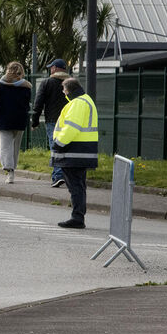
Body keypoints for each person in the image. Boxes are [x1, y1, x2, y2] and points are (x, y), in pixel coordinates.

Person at [53, 78, 98, 229]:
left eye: (64, 90)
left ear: (69, 90)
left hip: (73, 151)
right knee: (79, 185)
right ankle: (78, 216)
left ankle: (77, 218)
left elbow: (72, 127)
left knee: (75, 187)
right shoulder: (85, 100)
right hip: (81, 151)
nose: (63, 92)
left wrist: (58, 143)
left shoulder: (78, 103)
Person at [0, 61, 33, 184]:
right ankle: (12, 171)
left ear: (7, 71)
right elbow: (26, 104)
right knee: (15, 147)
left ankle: (9, 169)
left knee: (5, 146)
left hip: (4, 120)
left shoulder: (1, 85)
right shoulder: (26, 87)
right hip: (20, 120)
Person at [32, 59, 71, 188]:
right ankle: (66, 175)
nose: (50, 70)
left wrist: (35, 121)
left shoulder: (47, 82)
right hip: (71, 121)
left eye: (51, 67)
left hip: (53, 120)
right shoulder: (72, 83)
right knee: (67, 147)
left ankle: (58, 176)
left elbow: (38, 103)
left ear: (54, 68)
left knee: (56, 147)